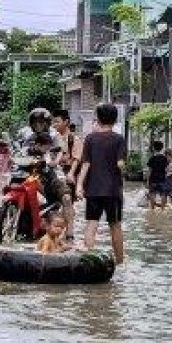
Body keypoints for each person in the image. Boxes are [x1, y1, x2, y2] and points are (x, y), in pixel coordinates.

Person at [76, 103, 127, 264]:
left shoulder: (90, 138)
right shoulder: (119, 139)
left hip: (93, 189)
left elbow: (85, 164)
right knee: (115, 225)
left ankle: (88, 260)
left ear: (98, 118)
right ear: (115, 119)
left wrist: (79, 185)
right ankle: (120, 261)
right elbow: (121, 164)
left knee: (92, 223)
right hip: (113, 190)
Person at [50, 109, 83, 239]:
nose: (55, 124)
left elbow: (76, 159)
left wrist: (70, 174)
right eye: (54, 122)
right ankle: (59, 231)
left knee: (67, 200)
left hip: (69, 174)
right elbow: (56, 155)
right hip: (57, 173)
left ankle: (69, 234)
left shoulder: (74, 139)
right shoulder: (56, 138)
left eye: (57, 121)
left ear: (66, 122)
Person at [145, 141, 170, 209]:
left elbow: (149, 171)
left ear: (153, 148)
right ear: (162, 148)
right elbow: (167, 169)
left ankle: (152, 208)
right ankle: (162, 209)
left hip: (153, 179)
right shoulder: (165, 158)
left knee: (152, 194)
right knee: (163, 194)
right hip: (162, 179)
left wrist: (147, 181)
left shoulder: (151, 158)